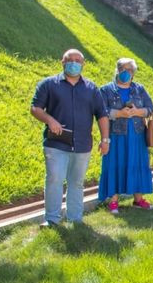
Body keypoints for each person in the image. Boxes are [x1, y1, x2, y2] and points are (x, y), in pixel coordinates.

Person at [30, 49, 110, 227]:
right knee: (54, 179)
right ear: (62, 62)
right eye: (70, 60)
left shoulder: (91, 88)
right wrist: (50, 120)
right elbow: (35, 108)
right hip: (56, 143)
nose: (73, 63)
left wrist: (105, 140)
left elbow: (102, 115)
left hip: (82, 145)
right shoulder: (48, 84)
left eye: (77, 60)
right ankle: (52, 219)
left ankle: (75, 219)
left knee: (77, 183)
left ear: (83, 64)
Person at [98, 58, 153, 213]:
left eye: (130, 70)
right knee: (115, 164)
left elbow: (150, 108)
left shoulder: (139, 89)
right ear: (117, 70)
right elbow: (101, 112)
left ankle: (138, 200)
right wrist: (119, 113)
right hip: (116, 135)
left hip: (137, 134)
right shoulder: (106, 90)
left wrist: (137, 111)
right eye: (123, 68)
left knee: (138, 164)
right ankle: (113, 201)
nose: (127, 72)